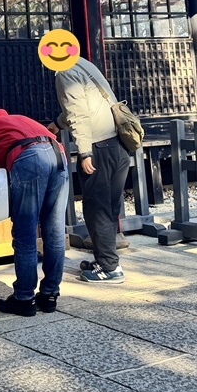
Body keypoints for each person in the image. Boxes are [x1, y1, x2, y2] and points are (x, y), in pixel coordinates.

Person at [0, 108, 69, 316]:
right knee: (55, 231)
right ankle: (49, 295)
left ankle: (24, 297)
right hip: (59, 155)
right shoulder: (17, 120)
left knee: (25, 233)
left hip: (30, 158)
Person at [52, 57, 129, 283]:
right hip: (118, 144)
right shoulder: (84, 65)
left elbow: (78, 114)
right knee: (110, 206)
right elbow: (87, 104)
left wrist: (84, 153)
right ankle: (105, 258)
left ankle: (109, 268)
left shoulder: (65, 73)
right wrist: (58, 123)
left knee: (97, 208)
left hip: (98, 147)